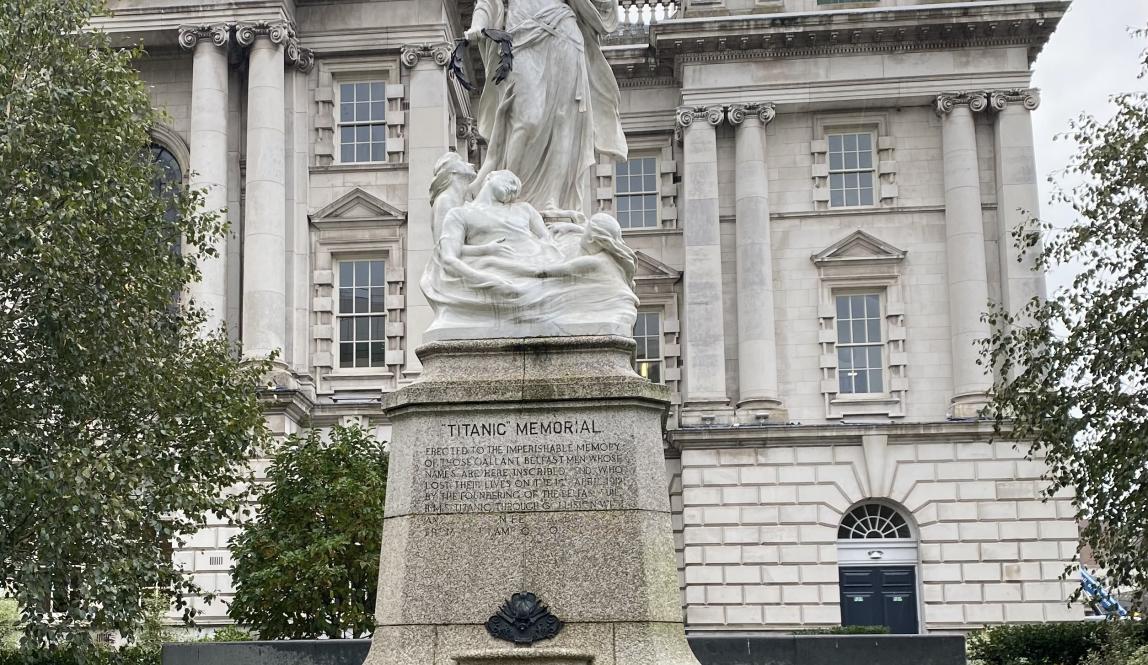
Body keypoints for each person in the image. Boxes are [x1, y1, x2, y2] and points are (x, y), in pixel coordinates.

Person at [465, 0, 627, 216]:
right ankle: (508, 197)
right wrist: (479, 22)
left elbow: (603, 4)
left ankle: (552, 200)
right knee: (527, 118)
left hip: (564, 32)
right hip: (520, 36)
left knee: (564, 120)